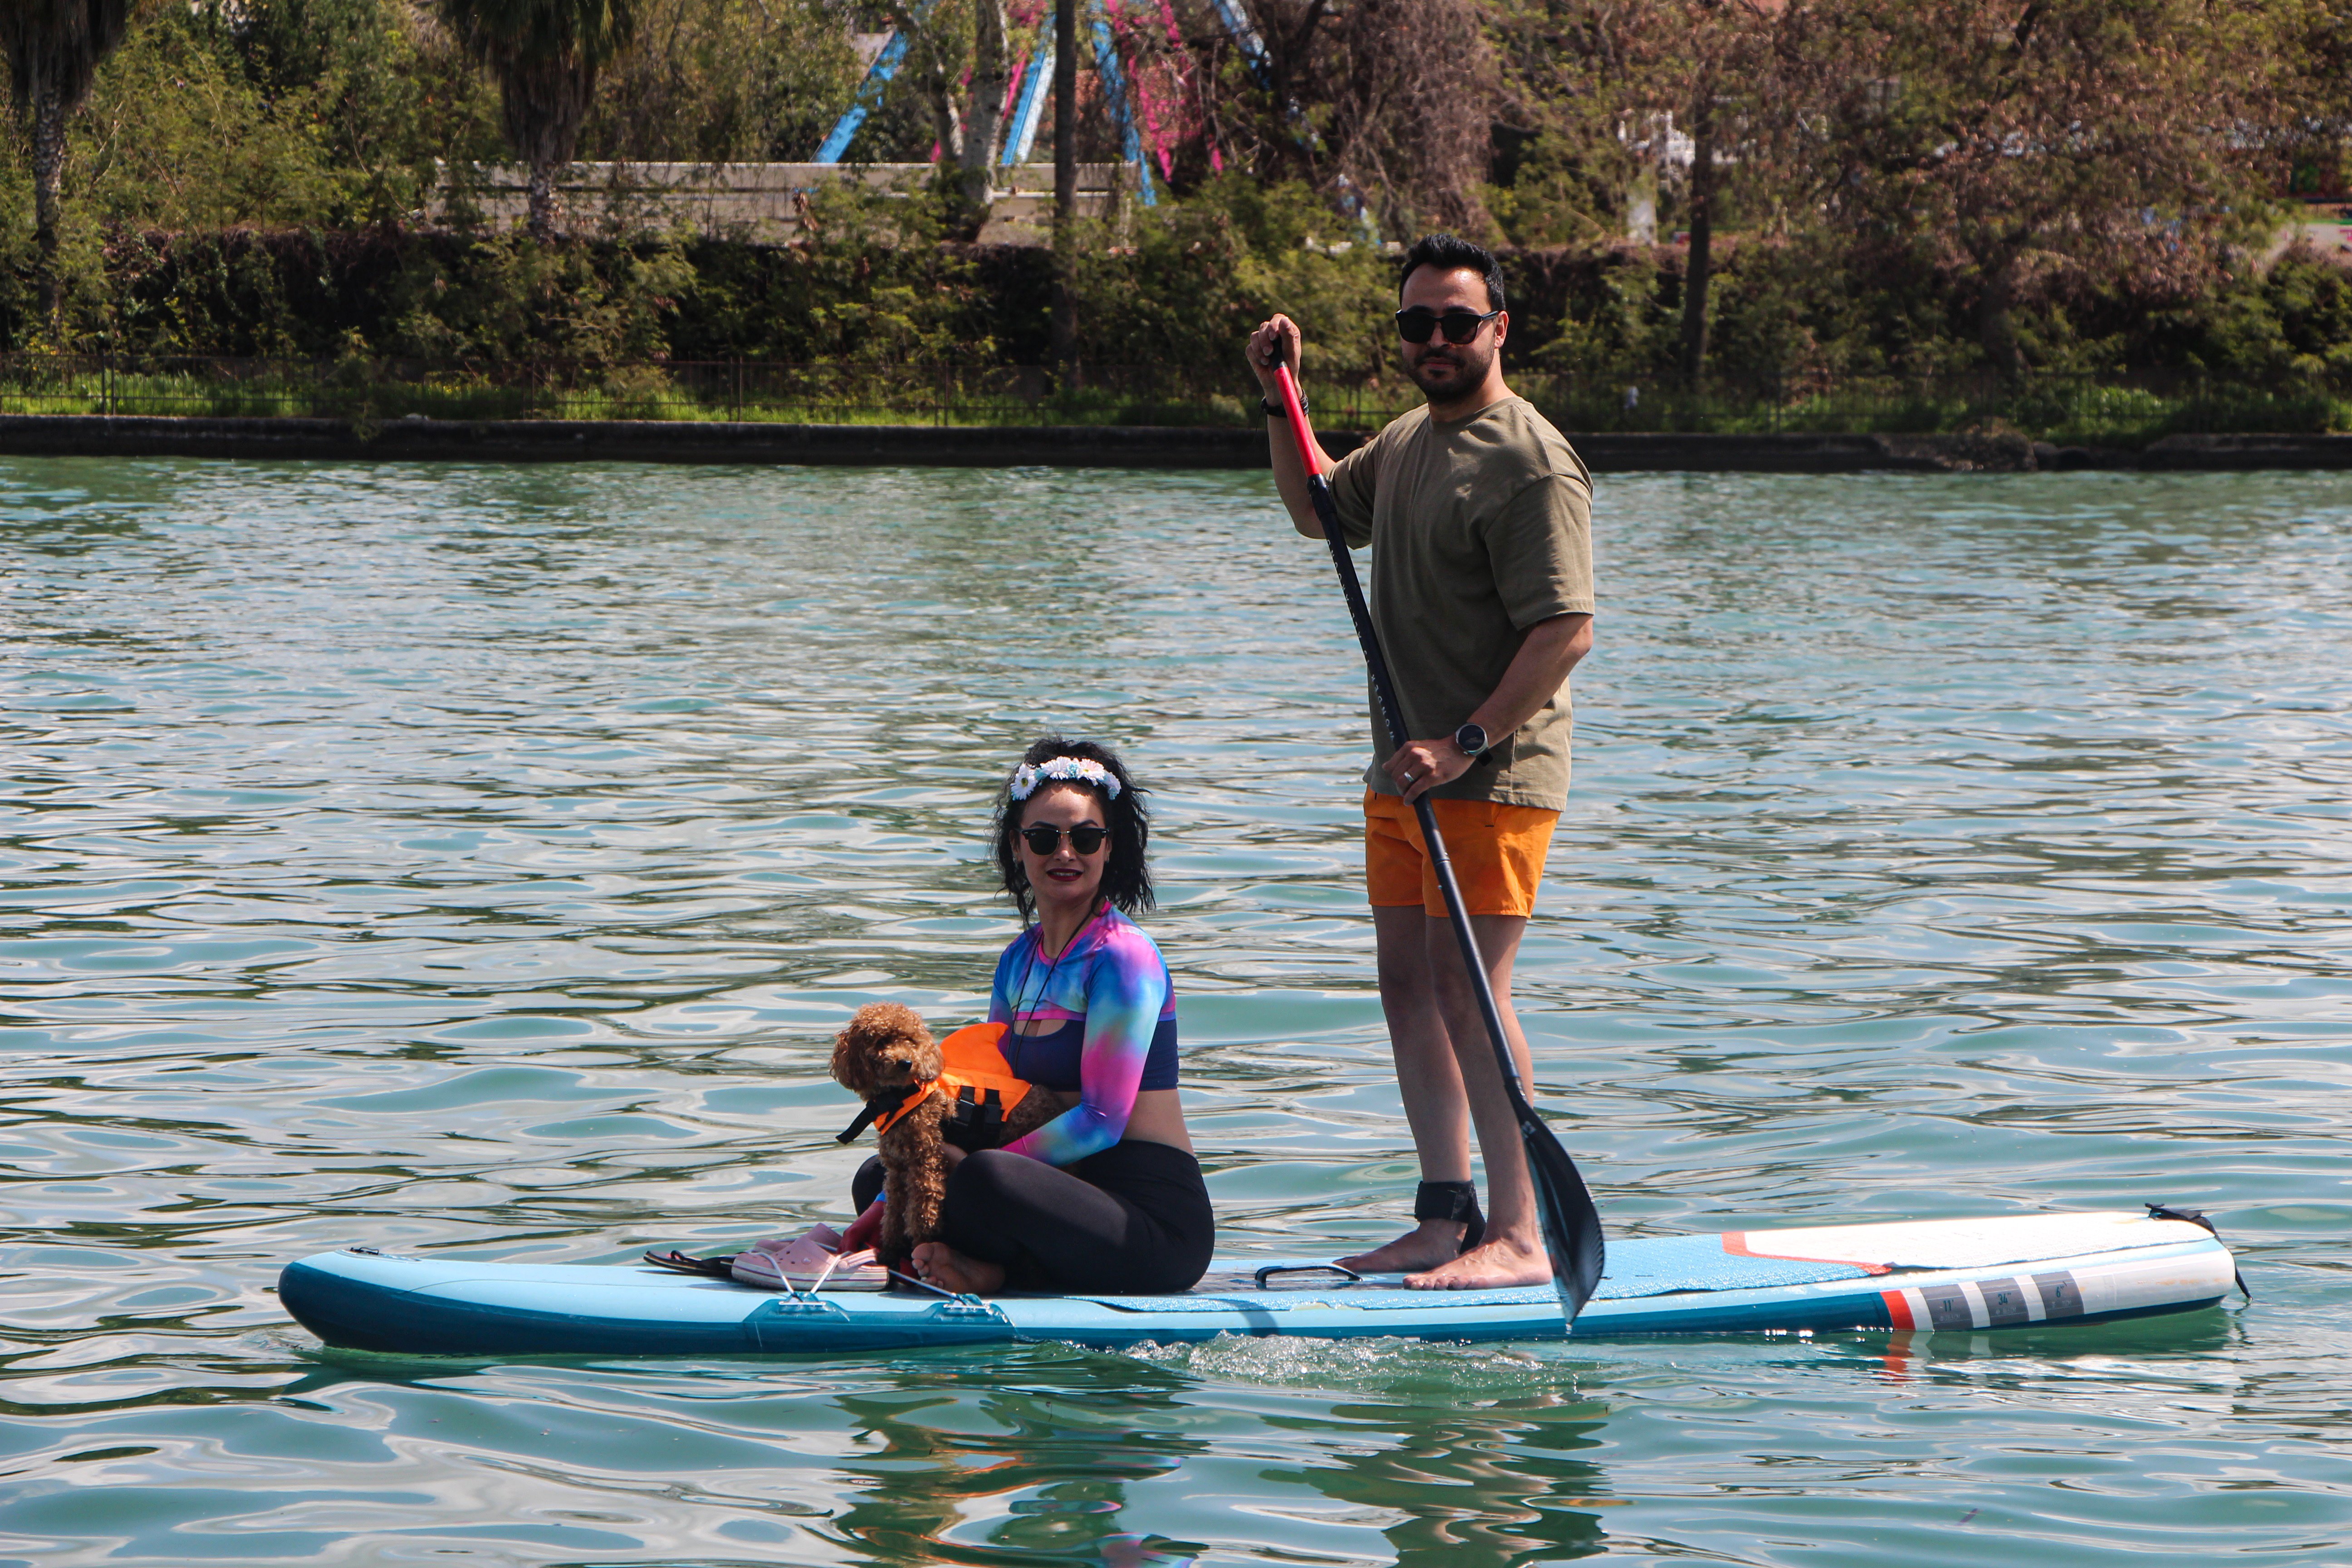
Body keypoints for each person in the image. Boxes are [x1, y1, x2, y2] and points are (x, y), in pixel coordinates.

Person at [1247, 232, 1596, 1292]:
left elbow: (1565, 630)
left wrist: (1464, 741)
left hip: (1491, 774)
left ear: (1498, 328)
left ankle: (1522, 1233)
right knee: (1408, 983)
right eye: (1416, 322)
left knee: (1469, 989)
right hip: (1402, 773)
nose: (1435, 339)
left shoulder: (1531, 460)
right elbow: (1315, 506)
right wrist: (1281, 399)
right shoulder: (1407, 441)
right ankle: (1445, 1217)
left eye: (1457, 321)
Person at [838, 737, 1212, 1296]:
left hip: (1148, 1215)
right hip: (1046, 1190)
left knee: (983, 1175)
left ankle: (996, 1271)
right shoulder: (1018, 961)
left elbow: (1101, 1121)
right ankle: (978, 1263)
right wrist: (889, 1197)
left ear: (1109, 848)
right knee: (883, 1171)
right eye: (1043, 838)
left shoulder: (1122, 958)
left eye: (1085, 838)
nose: (1065, 853)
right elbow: (987, 1092)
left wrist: (967, 1167)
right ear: (1017, 846)